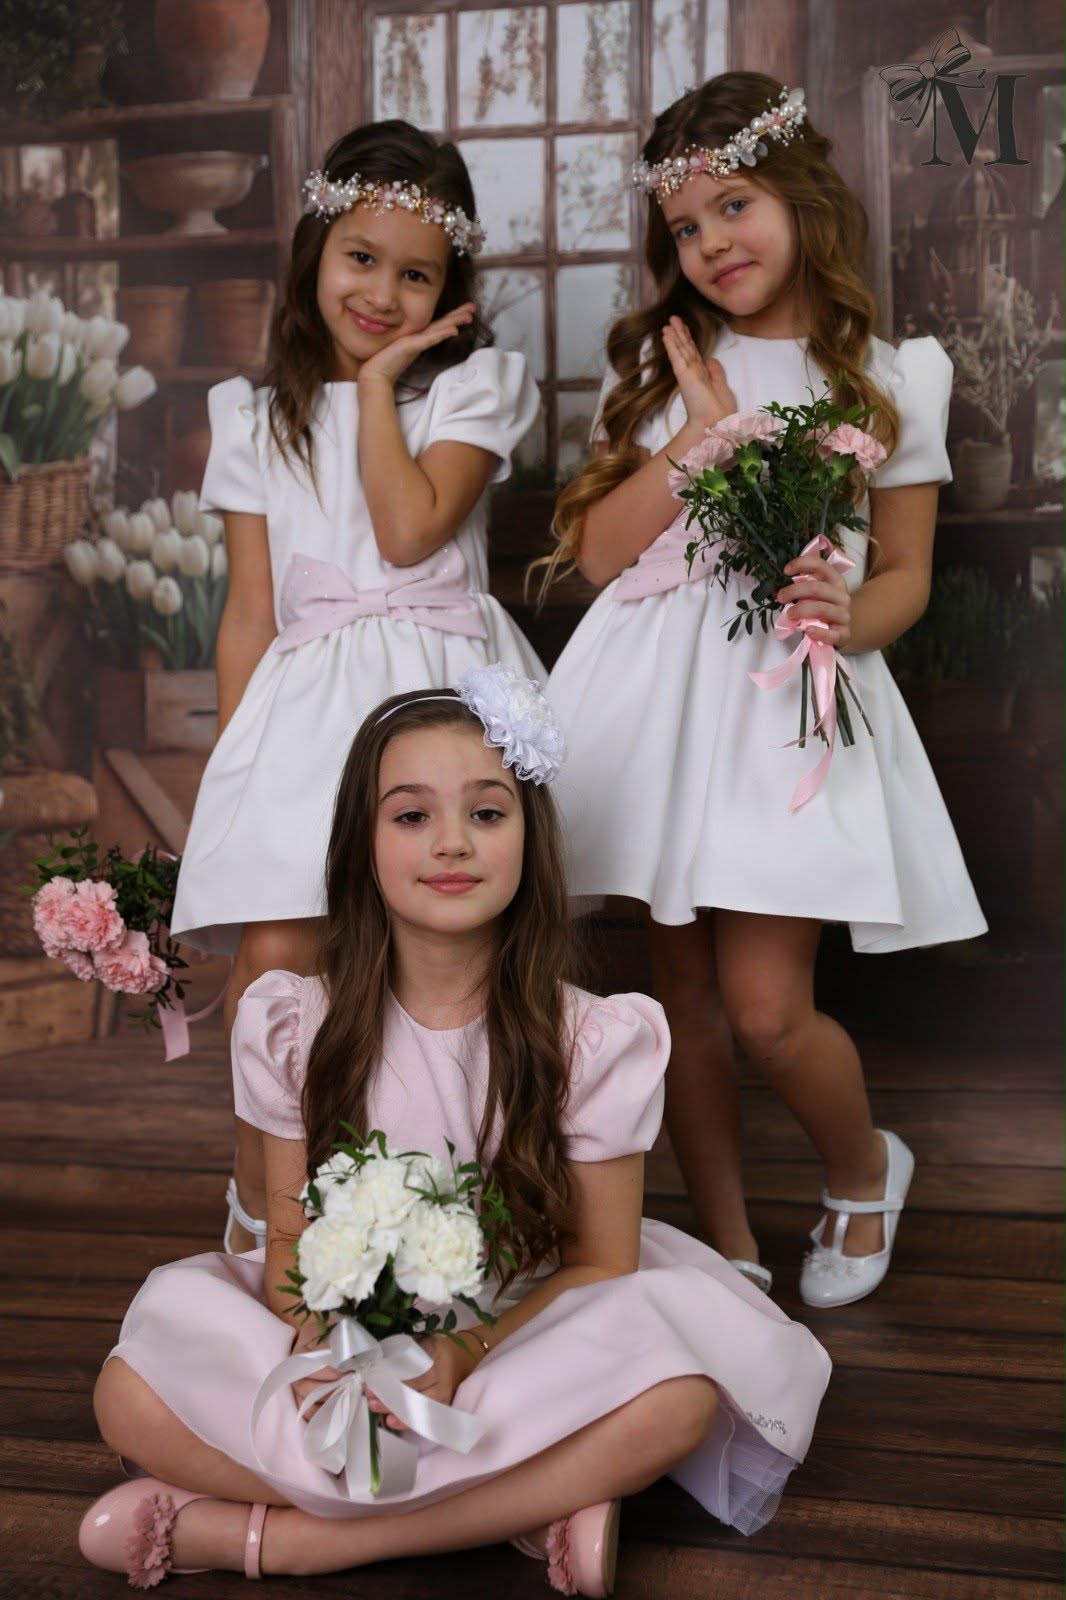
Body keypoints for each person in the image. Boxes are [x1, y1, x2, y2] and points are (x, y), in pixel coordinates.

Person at [81, 666, 830, 1593]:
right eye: (411, 815)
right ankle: (527, 1508)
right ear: (362, 845)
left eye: (486, 812)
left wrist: (462, 1352)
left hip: (517, 1332)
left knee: (675, 1404)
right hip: (343, 1327)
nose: (452, 842)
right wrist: (334, 1358)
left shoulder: (593, 1040)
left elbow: (601, 1263)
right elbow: (287, 1244)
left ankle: (286, 1541)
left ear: (528, 837)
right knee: (129, 1392)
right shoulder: (294, 1026)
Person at [542, 73, 986, 1308]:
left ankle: (863, 1167)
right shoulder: (667, 366)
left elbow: (904, 579)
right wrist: (697, 434)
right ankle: (728, 1242)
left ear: (800, 197)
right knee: (677, 994)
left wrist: (846, 613)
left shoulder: (887, 375)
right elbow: (600, 556)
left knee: (766, 1008)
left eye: (734, 205)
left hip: (784, 696)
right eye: (685, 226)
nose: (711, 244)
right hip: (659, 705)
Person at [168, 120, 543, 1252]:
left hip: (437, 701)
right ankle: (266, 1206)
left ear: (450, 289)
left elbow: (409, 527)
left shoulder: (473, 389)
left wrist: (379, 388)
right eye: (361, 258)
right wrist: (233, 769)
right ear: (315, 252)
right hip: (305, 708)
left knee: (444, 962)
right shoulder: (249, 415)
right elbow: (250, 609)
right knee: (278, 959)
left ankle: (447, 1202)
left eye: (415, 274)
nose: (382, 293)